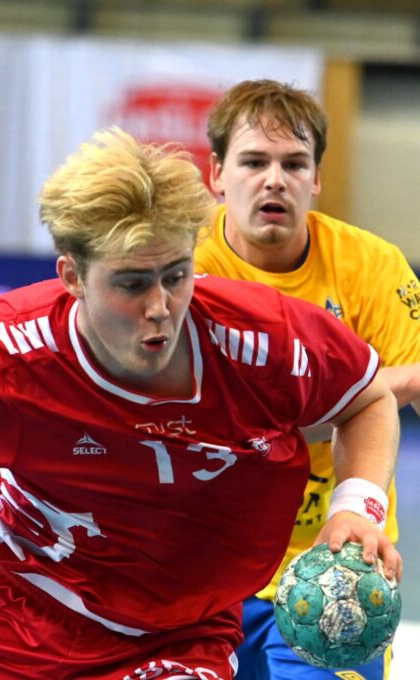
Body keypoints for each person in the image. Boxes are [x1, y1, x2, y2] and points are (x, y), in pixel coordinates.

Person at [0, 128, 402, 680]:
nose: (161, 306)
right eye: (132, 283)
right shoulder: (0, 359)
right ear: (71, 277)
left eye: (176, 275)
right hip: (1, 623)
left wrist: (358, 506)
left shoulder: (264, 338)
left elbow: (367, 397)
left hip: (175, 638)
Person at [195, 79, 420, 680]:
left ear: (316, 178)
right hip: (198, 569)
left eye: (294, 164)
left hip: (335, 571)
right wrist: (354, 395)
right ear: (217, 174)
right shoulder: (180, 266)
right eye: (253, 162)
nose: (274, 180)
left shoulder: (371, 266)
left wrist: (363, 396)